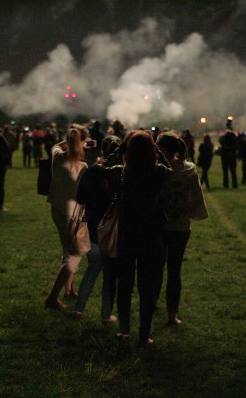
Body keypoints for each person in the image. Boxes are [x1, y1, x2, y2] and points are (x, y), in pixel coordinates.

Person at [106, 130, 171, 345]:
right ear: (152, 151)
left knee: (124, 283)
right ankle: (145, 333)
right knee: (147, 286)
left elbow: (108, 162)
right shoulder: (158, 171)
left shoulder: (121, 172)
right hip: (151, 234)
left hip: (127, 233)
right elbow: (168, 167)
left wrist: (123, 147)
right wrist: (156, 149)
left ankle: (125, 330)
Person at [156, 131, 208, 325]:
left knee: (157, 267)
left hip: (160, 226)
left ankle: (152, 302)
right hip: (181, 226)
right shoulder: (189, 170)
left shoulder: (157, 171)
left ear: (163, 149)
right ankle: (172, 314)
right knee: (174, 271)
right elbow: (196, 198)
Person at [73, 135, 122, 323]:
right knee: (110, 276)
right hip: (112, 231)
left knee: (92, 270)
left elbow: (80, 198)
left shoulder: (93, 170)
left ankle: (79, 309)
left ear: (102, 150)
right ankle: (106, 314)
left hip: (93, 228)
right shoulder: (120, 172)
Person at [44, 124, 89, 311]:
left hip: (56, 209)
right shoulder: (83, 166)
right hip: (72, 213)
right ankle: (52, 298)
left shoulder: (57, 157)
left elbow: (56, 145)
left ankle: (68, 289)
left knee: (67, 249)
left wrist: (71, 140)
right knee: (74, 255)